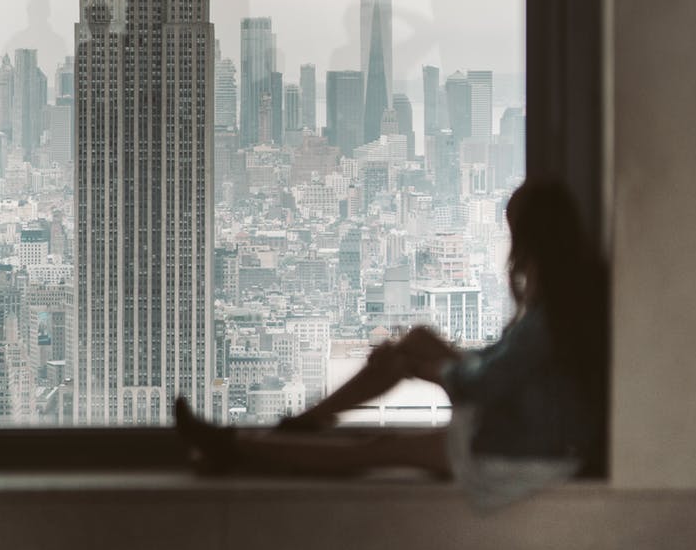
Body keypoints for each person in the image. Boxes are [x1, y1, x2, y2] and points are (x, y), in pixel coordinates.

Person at [175, 178, 607, 505]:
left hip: (527, 454)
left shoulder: (552, 312)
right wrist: (427, 360)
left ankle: (236, 446)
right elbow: (506, 368)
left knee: (375, 450)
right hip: (527, 427)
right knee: (417, 339)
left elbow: (489, 382)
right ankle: (302, 423)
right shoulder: (565, 297)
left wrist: (433, 370)